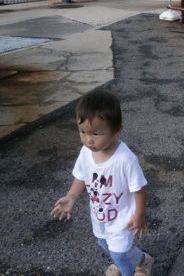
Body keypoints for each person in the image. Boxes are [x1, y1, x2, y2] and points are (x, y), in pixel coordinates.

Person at [51, 90, 154, 276]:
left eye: (95, 133)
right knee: (103, 243)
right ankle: (142, 261)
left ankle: (128, 269)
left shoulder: (125, 159)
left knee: (119, 253)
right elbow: (81, 175)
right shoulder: (86, 152)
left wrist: (139, 216)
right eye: (82, 131)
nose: (88, 139)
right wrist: (71, 197)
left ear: (116, 130)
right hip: (100, 215)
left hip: (123, 217)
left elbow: (139, 190)